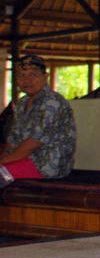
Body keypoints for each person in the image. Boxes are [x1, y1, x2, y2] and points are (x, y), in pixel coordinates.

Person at [0, 55, 76, 188]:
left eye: (33, 74)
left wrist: (3, 162)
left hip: (46, 166)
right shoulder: (22, 103)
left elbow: (32, 144)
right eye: (22, 75)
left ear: (45, 77)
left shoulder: (52, 102)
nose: (27, 80)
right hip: (24, 160)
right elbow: (12, 144)